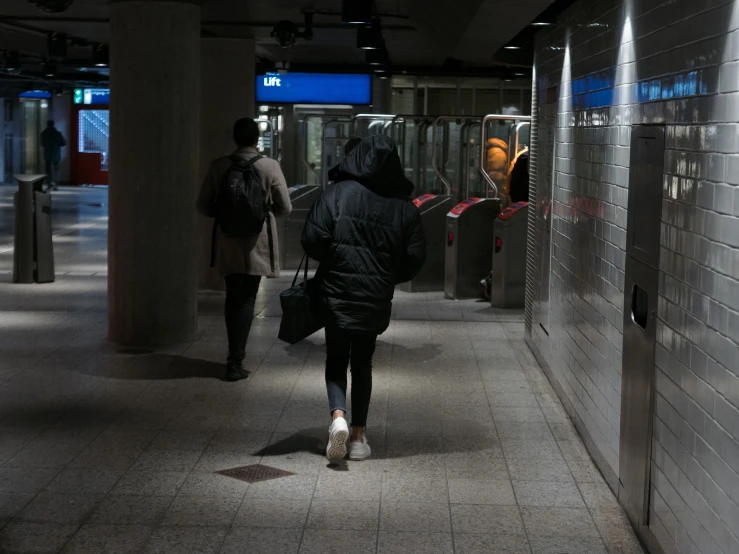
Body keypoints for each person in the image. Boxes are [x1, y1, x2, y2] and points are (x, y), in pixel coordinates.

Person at [302, 134, 426, 462]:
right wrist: (386, 276)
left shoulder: (336, 195)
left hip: (337, 293)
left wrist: (332, 263)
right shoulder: (404, 208)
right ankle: (358, 437)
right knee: (363, 363)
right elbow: (414, 258)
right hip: (375, 296)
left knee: (336, 359)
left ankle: (337, 417)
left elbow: (312, 238)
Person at [197, 118, 292, 381]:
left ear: (235, 138)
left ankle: (232, 357)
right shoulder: (269, 166)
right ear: (256, 139)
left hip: (227, 239)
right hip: (256, 241)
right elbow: (285, 207)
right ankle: (236, 361)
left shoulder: (219, 166)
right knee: (248, 297)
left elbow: (203, 206)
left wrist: (227, 211)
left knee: (232, 296)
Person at [40, 120, 66, 191]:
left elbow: (42, 144)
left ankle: (49, 184)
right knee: (56, 170)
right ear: (53, 124)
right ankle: (55, 184)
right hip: (56, 154)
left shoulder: (43, 133)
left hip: (47, 154)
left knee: (48, 170)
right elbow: (63, 143)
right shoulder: (58, 134)